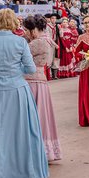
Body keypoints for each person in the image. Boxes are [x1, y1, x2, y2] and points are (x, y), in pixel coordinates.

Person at [0, 9, 48, 178]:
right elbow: (31, 68)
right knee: (21, 132)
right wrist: (15, 72)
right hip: (17, 91)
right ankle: (25, 174)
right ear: (14, 23)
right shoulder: (20, 42)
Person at [23, 15, 62, 162]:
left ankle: (37, 149)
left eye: (26, 29)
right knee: (41, 116)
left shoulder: (37, 43)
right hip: (38, 82)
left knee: (35, 117)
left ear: (33, 30)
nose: (24, 32)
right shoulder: (43, 40)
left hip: (33, 82)